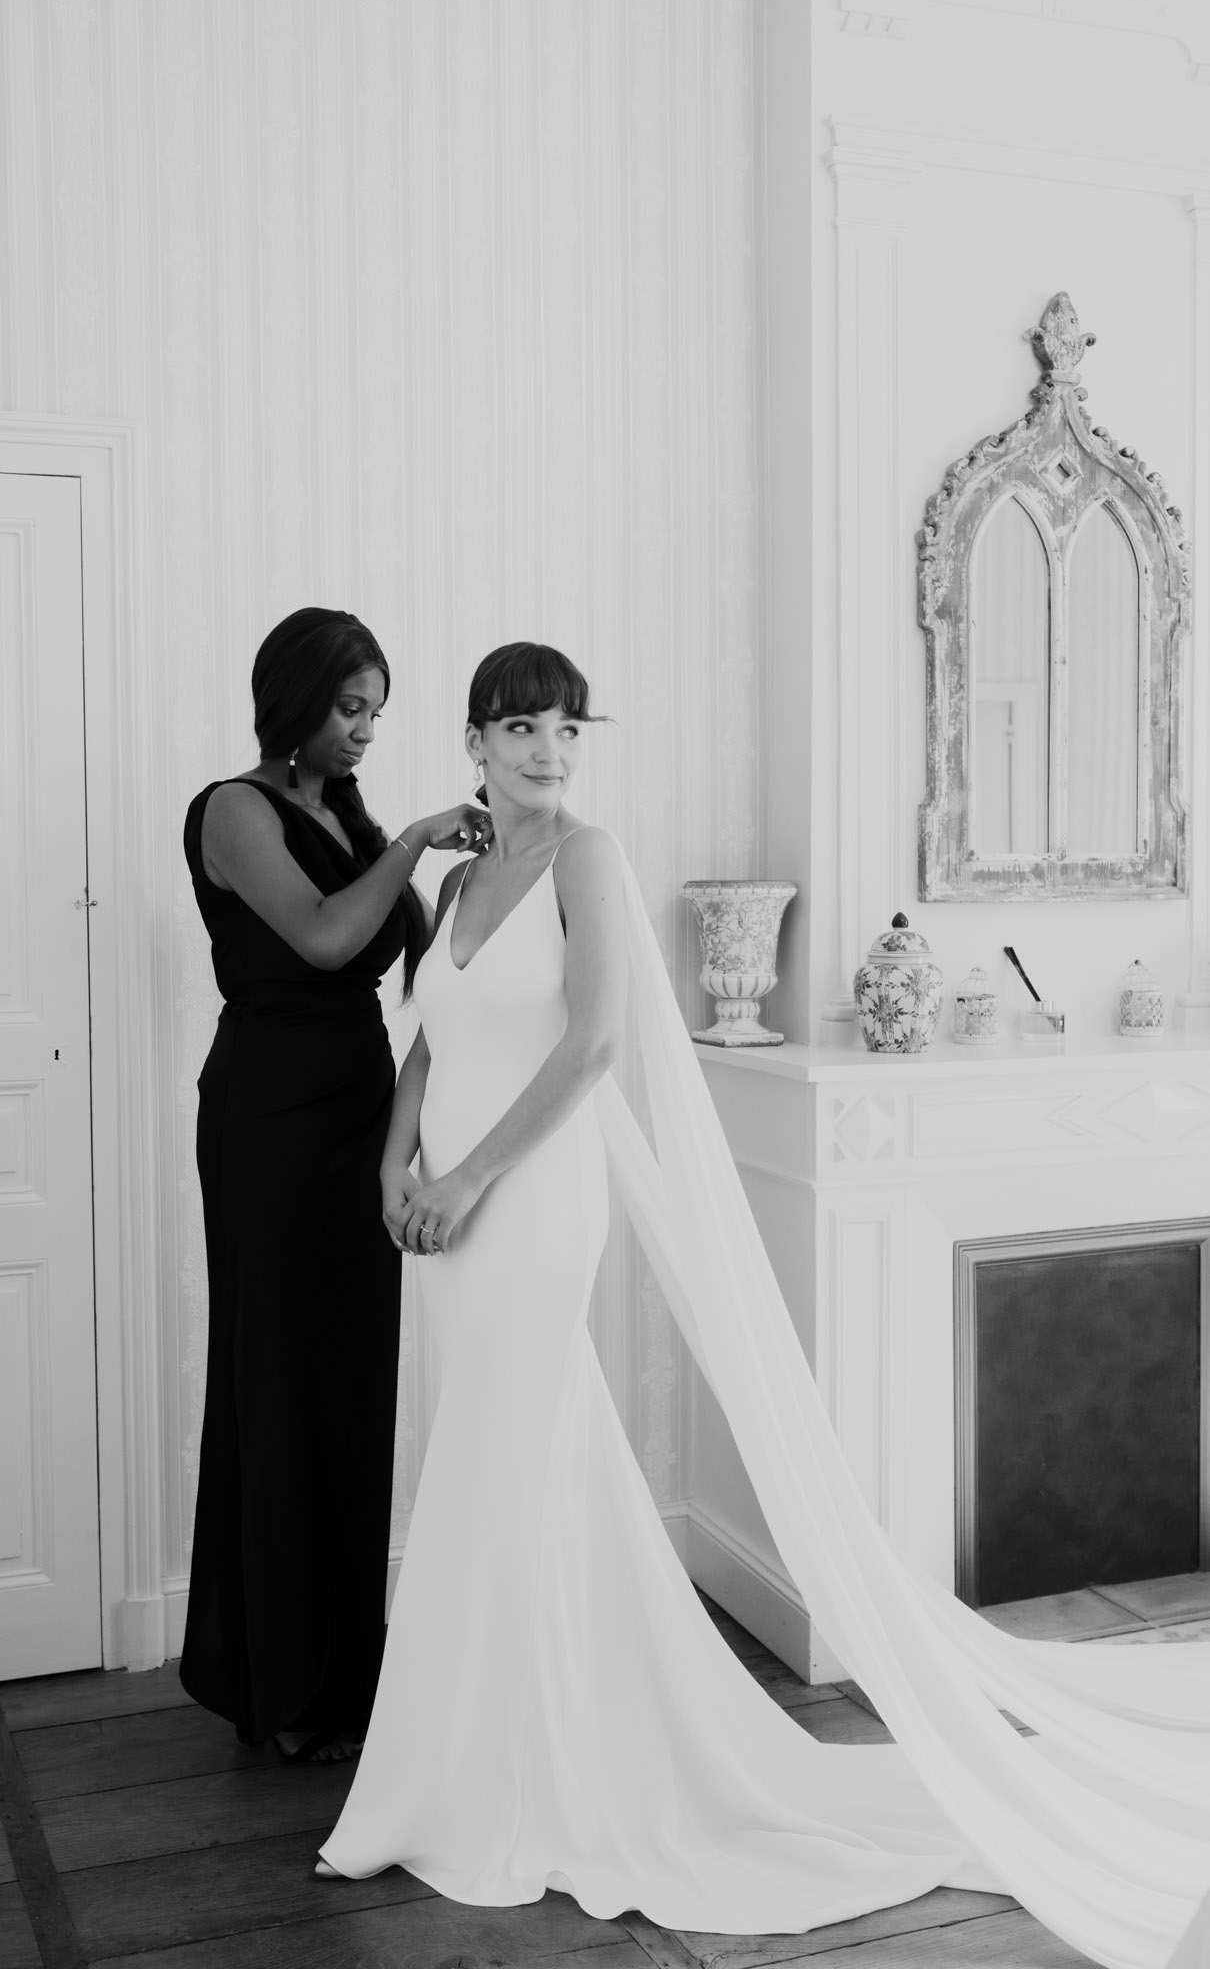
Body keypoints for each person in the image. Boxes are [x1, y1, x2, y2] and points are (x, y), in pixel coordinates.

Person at [316, 639, 1210, 1967]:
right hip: (438, 1204)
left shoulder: (585, 860)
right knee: (491, 1470)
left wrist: (473, 1181)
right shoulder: (452, 881)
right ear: (474, 744)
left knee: (503, 1458)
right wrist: (399, 1167)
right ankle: (475, 1756)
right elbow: (431, 1039)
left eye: (566, 728)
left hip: (532, 1201)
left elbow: (596, 1046)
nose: (546, 753)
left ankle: (507, 1780)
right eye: (518, 731)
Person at [179, 607, 489, 1763]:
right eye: (350, 707)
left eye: (377, 713)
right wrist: (410, 839)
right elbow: (318, 940)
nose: (364, 730)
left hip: (358, 1118)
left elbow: (411, 959)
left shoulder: (342, 814)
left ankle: (347, 1669)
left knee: (353, 1384)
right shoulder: (234, 808)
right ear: (295, 698)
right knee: (277, 1377)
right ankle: (273, 1675)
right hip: (266, 1122)